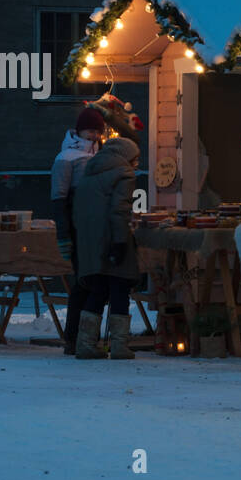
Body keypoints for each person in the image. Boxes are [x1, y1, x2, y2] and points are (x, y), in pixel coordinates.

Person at [72, 135, 140, 360]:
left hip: (90, 241)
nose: (137, 164)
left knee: (98, 289)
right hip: (113, 237)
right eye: (136, 159)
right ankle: (120, 345)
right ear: (126, 157)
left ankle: (85, 343)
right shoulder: (124, 174)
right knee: (120, 287)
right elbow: (120, 210)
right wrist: (121, 241)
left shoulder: (89, 173)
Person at [50, 108, 106, 354]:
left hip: (95, 226)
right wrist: (63, 233)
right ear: (80, 130)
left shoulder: (100, 154)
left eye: (97, 131)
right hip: (76, 226)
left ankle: (81, 337)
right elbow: (58, 198)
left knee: (92, 280)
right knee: (85, 281)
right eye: (91, 130)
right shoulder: (66, 157)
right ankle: (74, 337)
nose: (94, 135)